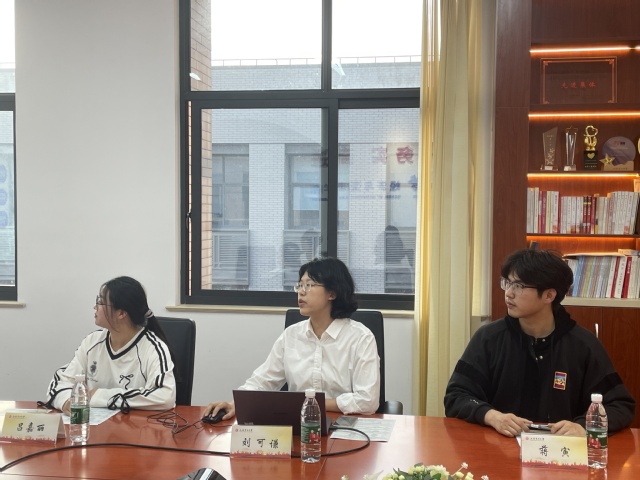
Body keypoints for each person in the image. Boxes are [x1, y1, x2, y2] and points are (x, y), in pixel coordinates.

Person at [444, 249, 635, 437]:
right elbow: (457, 395)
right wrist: (492, 416)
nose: (508, 293)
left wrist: (583, 426)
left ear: (549, 296)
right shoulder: (489, 338)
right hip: (499, 447)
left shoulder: (583, 345)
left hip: (562, 451)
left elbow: (620, 405)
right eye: (507, 283)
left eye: (519, 286)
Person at [205, 256, 380, 420]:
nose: (301, 292)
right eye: (300, 285)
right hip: (298, 424)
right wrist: (235, 404)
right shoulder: (291, 335)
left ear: (332, 293)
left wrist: (311, 404)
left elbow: (368, 401)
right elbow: (263, 380)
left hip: (345, 425)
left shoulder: (361, 338)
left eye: (309, 285)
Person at [45, 276, 176, 413]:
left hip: (135, 424)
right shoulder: (92, 342)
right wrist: (66, 401)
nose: (95, 307)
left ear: (121, 313)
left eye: (101, 302)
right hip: (93, 424)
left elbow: (165, 396)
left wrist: (99, 396)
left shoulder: (153, 348)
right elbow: (61, 382)